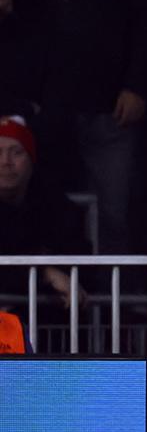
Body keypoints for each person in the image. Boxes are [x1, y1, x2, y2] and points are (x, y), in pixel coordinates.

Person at [23, 0, 147, 254]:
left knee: (115, 212)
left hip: (111, 107)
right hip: (47, 107)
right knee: (46, 204)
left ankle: (120, 299)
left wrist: (137, 86)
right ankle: (59, 297)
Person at [0, 116, 90, 313]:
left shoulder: (57, 207)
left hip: (46, 330)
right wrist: (45, 273)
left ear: (32, 160)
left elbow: (82, 268)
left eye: (16, 152)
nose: (6, 162)